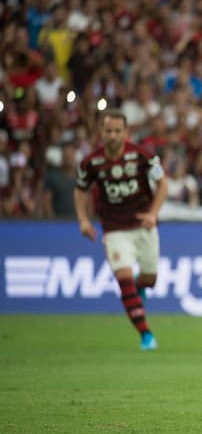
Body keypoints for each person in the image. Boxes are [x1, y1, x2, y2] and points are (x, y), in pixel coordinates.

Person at [74, 110, 168, 351]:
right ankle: (146, 335)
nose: (113, 136)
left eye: (118, 131)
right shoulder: (91, 162)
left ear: (126, 133)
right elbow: (81, 189)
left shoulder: (142, 156)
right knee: (123, 279)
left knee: (150, 279)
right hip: (114, 229)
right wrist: (84, 219)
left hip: (143, 225)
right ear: (101, 132)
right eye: (109, 131)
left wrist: (153, 214)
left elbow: (163, 184)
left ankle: (140, 287)